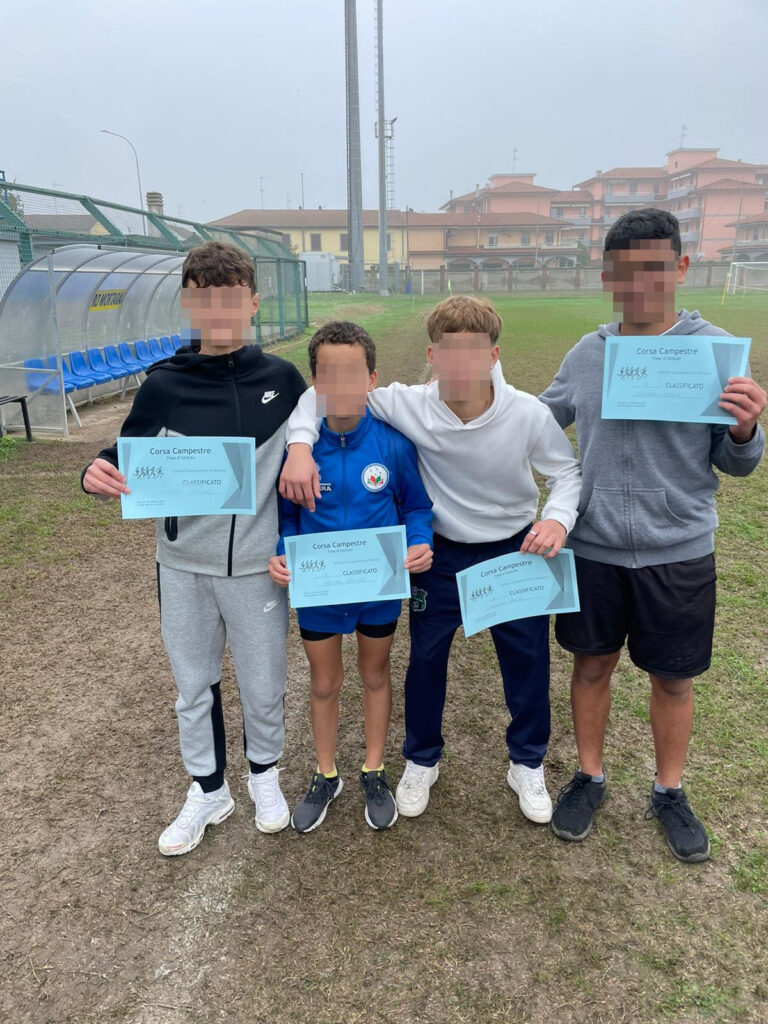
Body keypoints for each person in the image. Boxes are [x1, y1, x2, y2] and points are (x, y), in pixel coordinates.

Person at [279, 296, 582, 825]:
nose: (461, 364)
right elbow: (321, 393)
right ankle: (421, 759)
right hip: (438, 553)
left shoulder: (528, 413)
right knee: (425, 660)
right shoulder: (406, 403)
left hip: (513, 547)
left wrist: (556, 519)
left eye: (474, 351)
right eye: (449, 352)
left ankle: (526, 762)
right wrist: (301, 446)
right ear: (432, 356)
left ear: (494, 355)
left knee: (527, 660)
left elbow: (567, 472)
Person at [539, 208, 766, 862]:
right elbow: (537, 423)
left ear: (681, 267)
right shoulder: (587, 354)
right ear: (607, 275)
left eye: (655, 269)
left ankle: (669, 790)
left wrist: (746, 429)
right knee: (591, 665)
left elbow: (737, 463)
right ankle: (589, 776)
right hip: (595, 548)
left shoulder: (714, 353)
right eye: (625, 271)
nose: (639, 284)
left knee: (673, 678)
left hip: (679, 550)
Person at [81, 241, 307, 856]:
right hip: (182, 567)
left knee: (264, 684)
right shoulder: (163, 385)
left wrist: (304, 451)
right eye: (204, 298)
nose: (218, 310)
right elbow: (124, 456)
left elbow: (322, 432)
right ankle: (209, 790)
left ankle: (264, 776)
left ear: (253, 303)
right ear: (187, 303)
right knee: (193, 686)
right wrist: (94, 472)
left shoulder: (284, 381)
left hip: (259, 569)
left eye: (231, 298)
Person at [269, 321, 433, 832]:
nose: (340, 385)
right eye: (328, 374)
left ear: (372, 379)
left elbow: (417, 506)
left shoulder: (392, 444)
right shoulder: (298, 450)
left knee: (375, 674)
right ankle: (325, 774)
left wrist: (419, 540)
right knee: (324, 682)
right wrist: (282, 553)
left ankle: (374, 768)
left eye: (352, 373)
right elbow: (287, 517)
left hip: (377, 589)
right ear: (314, 383)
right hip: (319, 590)